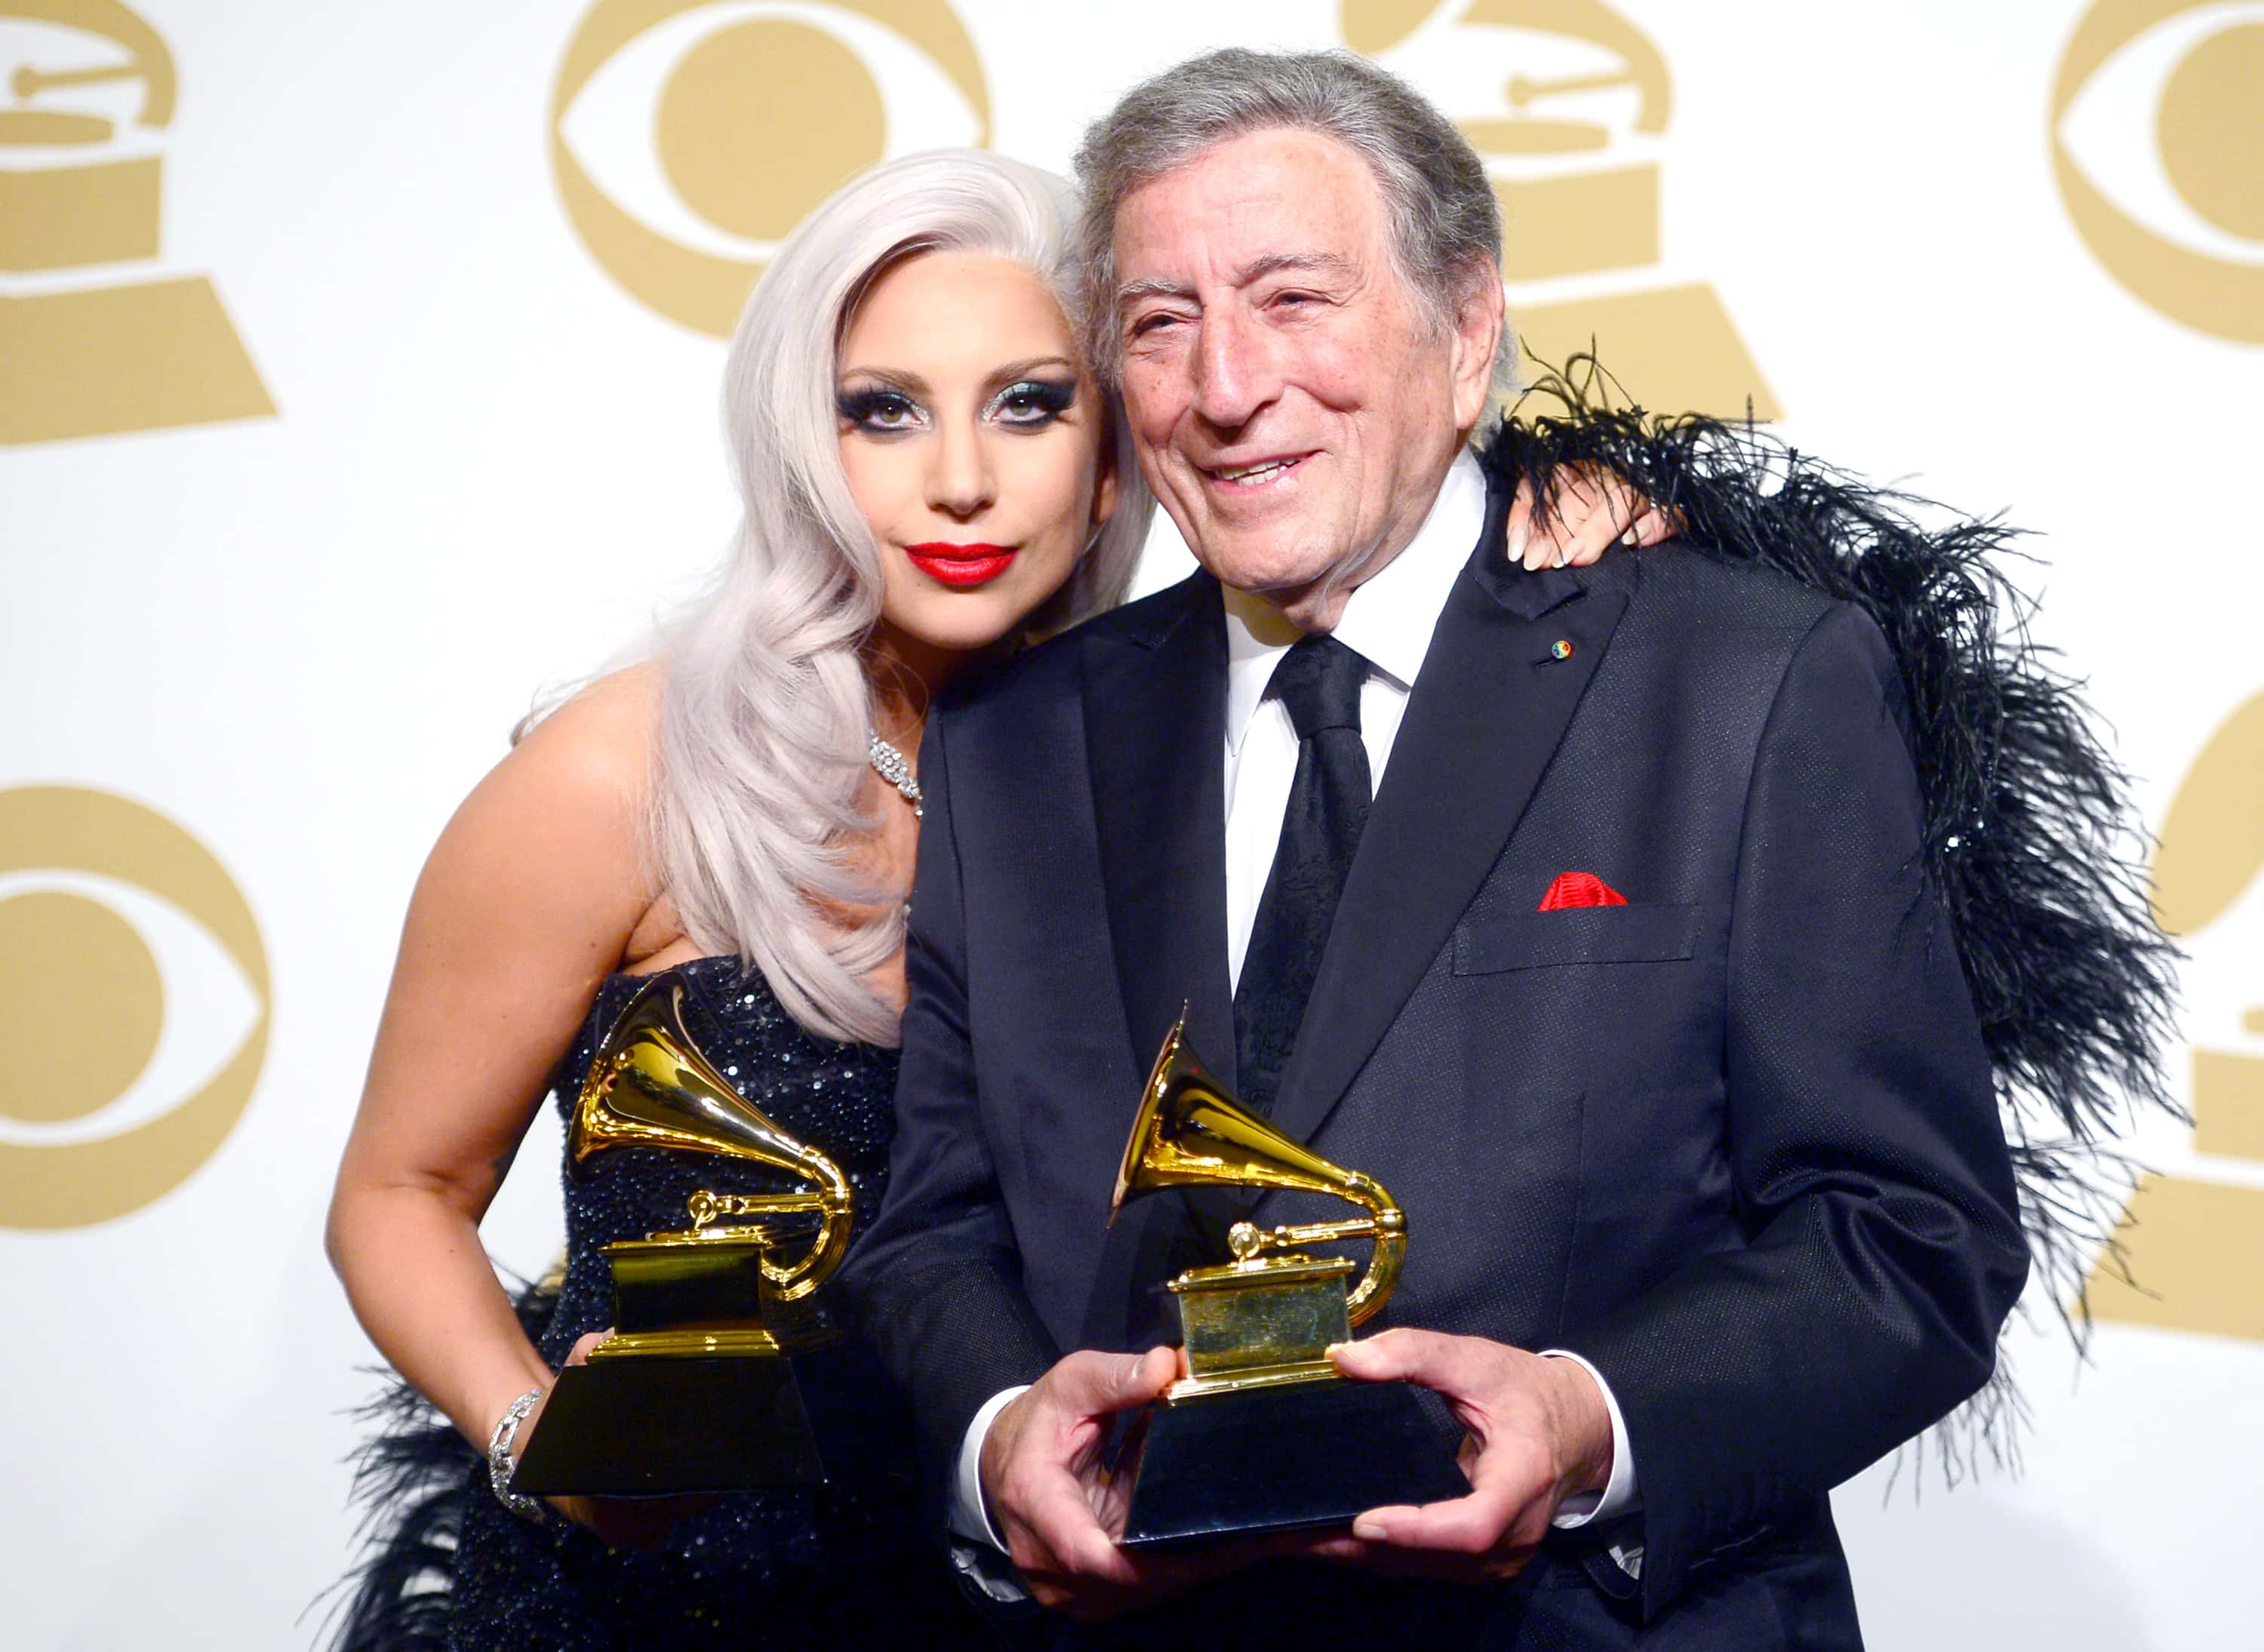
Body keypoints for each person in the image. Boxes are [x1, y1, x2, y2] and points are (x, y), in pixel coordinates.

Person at [843, 50, 2170, 1648]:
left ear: (1468, 334)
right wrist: (1001, 1446)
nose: (1227, 384)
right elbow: (936, 1230)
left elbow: (1907, 1236)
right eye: (1161, 321)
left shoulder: (1748, 681)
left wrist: (1586, 1417)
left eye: (1295, 299)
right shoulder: (1014, 743)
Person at [323, 144, 1660, 1650]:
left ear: (1121, 451)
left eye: (1030, 403)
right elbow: (397, 1193)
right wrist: (536, 1446)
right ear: (799, 448)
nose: (959, 477)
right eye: (880, 411)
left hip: (1037, 1591)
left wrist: (1557, 513)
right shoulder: (620, 775)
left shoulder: (1174, 744)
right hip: (679, 1604)